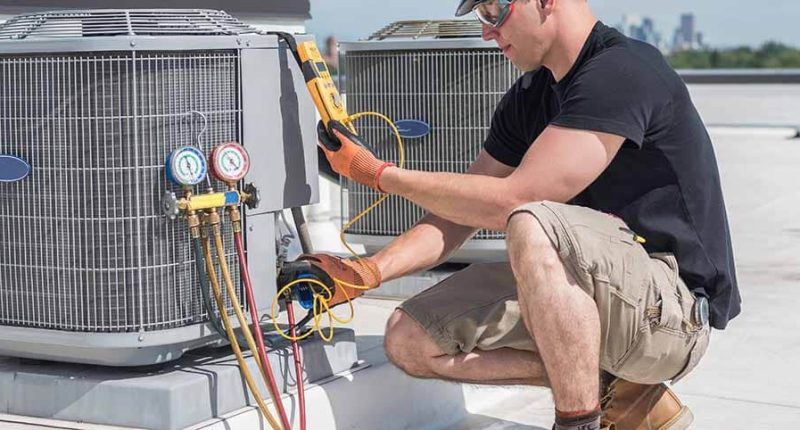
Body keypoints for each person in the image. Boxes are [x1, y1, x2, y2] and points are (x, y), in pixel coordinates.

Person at [299, 0, 741, 428]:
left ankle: (579, 424)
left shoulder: (622, 72)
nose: (488, 31)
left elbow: (516, 199)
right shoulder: (531, 95)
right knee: (410, 338)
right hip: (599, 294)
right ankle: (620, 391)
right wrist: (367, 272)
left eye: (494, 10)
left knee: (531, 223)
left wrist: (379, 175)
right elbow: (458, 215)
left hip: (672, 314)